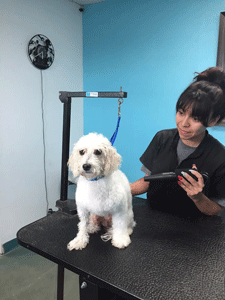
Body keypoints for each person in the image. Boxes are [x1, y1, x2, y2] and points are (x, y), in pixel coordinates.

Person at [131, 67, 225, 217]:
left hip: (194, 231)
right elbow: (148, 181)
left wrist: (198, 197)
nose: (184, 123)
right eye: (181, 113)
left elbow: (216, 209)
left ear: (213, 120)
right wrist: (118, 191)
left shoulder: (220, 157)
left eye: (195, 118)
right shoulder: (162, 138)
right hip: (153, 222)